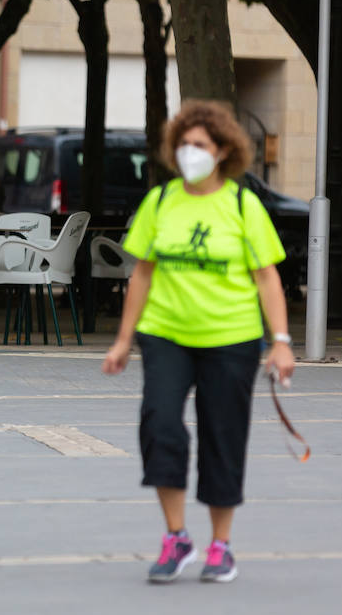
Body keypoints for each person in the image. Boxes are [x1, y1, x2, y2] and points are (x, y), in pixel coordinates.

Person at [103, 99, 296, 585]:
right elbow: (142, 273)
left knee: (223, 435)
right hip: (166, 334)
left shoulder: (241, 204)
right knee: (160, 424)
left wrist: (281, 341)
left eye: (200, 145)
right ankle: (176, 538)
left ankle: (221, 546)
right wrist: (124, 339)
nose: (190, 153)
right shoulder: (161, 202)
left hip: (231, 338)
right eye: (184, 144)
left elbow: (267, 278)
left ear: (223, 151)